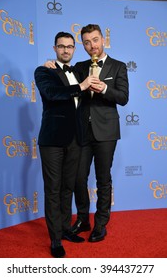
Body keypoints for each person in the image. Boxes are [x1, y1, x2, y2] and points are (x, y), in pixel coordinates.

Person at [44, 24, 129, 243]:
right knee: (77, 178)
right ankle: (83, 219)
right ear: (82, 45)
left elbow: (123, 97)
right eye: (87, 42)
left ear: (103, 40)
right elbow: (64, 78)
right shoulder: (79, 67)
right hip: (80, 132)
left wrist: (105, 89)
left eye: (95, 40)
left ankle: (101, 224)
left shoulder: (118, 66)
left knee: (103, 179)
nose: (92, 45)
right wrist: (51, 66)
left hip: (106, 132)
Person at [34, 31, 101, 257]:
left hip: (76, 140)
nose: (65, 50)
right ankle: (54, 240)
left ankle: (64, 229)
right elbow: (51, 93)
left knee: (67, 188)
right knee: (53, 189)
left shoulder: (78, 71)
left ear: (75, 49)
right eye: (61, 46)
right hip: (52, 140)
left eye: (70, 47)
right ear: (54, 49)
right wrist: (80, 87)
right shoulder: (44, 70)